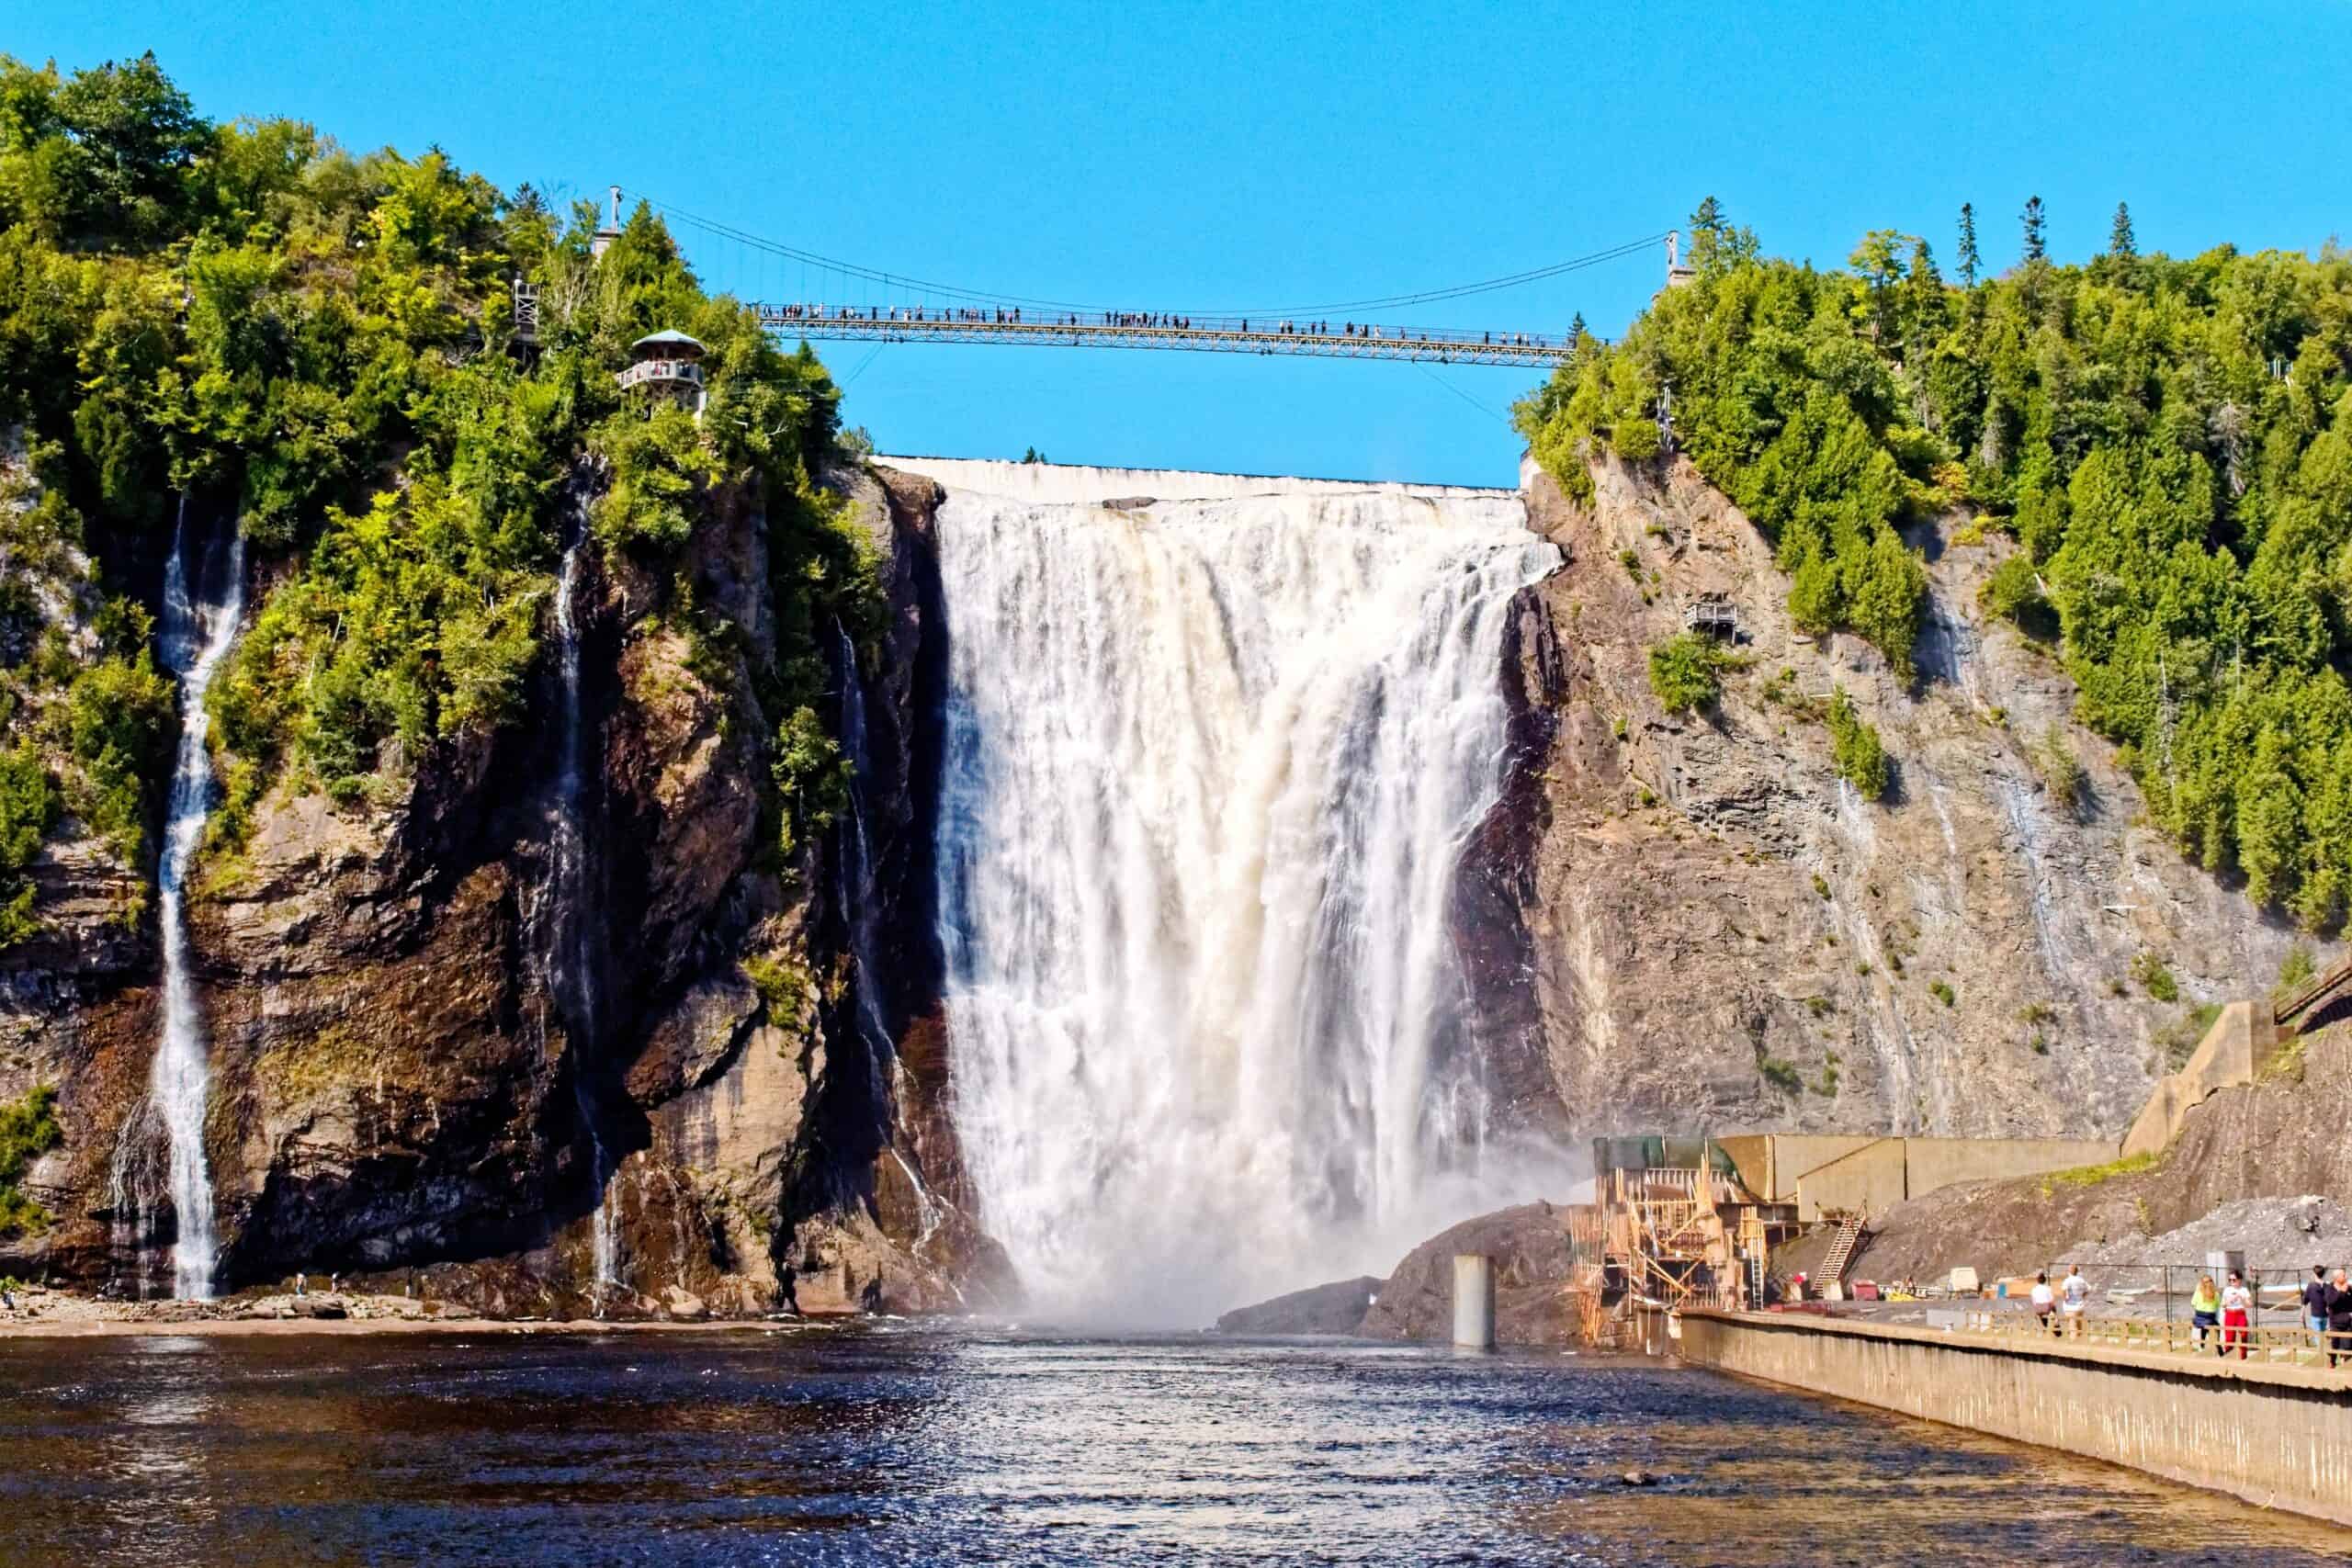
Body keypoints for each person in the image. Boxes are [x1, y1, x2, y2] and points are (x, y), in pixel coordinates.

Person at [2220, 1270, 2254, 1359]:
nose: (2232, 1282)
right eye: (2230, 1280)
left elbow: (2250, 1305)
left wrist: (2242, 1299)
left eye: (2234, 1280)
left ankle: (2243, 1357)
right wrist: (2229, 1301)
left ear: (2239, 1280)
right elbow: (2222, 1304)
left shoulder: (2244, 1290)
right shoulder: (2227, 1290)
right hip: (2230, 1313)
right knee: (2230, 1338)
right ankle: (2228, 1357)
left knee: (2243, 1335)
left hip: (2240, 1314)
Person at [2190, 1272, 2221, 1352]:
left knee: (2204, 1326)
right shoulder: (2216, 1294)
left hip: (2199, 1318)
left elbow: (2193, 1303)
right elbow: (2217, 1305)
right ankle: (2218, 1347)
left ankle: (2202, 1346)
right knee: (2216, 1326)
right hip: (2210, 1317)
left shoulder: (2198, 1292)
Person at [2328, 1269, 2352, 1370]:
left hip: (2348, 1323)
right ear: (2337, 1278)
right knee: (2334, 1346)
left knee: (2347, 1346)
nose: (2345, 1277)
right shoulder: (2329, 1289)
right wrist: (2342, 1291)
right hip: (2335, 1323)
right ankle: (2332, 1363)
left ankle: (2345, 1367)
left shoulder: (2349, 1288)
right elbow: (2332, 1302)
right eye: (2343, 1276)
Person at [2304, 1265, 2332, 1349]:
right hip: (2325, 1315)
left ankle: (2321, 1354)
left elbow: (2305, 1299)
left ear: (2315, 1274)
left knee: (2317, 1336)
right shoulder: (2327, 1286)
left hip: (2315, 1315)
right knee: (2322, 1334)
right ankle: (2323, 1351)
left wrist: (2302, 1312)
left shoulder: (2311, 1286)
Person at [2059, 1263, 2089, 1337]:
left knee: (2072, 1328)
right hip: (2080, 1307)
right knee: (2079, 1327)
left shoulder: (2068, 1280)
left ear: (2069, 1271)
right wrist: (2082, 1296)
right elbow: (2088, 1289)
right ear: (2077, 1271)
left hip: (2070, 1307)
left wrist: (2065, 1299)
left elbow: (2063, 1290)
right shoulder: (2081, 1280)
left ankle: (2073, 1343)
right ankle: (2080, 1342)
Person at [2030, 1270, 2057, 1334]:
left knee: (2042, 1315)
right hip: (2046, 1308)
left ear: (2037, 1281)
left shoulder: (2034, 1289)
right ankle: (2055, 1323)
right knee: (2053, 1308)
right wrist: (2053, 1309)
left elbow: (2033, 1302)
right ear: (2045, 1280)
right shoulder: (2048, 1288)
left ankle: (2045, 1327)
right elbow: (2052, 1301)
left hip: (2038, 1308)